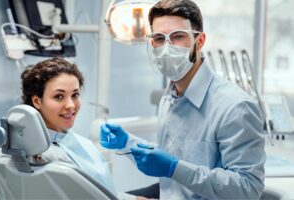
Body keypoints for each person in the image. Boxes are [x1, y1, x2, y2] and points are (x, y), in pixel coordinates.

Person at [100, 0, 266, 199]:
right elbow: (172, 158)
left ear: (200, 41)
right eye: (159, 38)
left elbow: (248, 188)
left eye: (178, 36)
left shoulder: (235, 107)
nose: (167, 47)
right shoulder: (169, 98)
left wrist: (174, 168)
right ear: (151, 42)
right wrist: (127, 143)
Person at [21, 57, 136, 200]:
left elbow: (102, 192)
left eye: (75, 95)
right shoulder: (41, 156)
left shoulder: (72, 140)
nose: (71, 105)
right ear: (37, 101)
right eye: (59, 96)